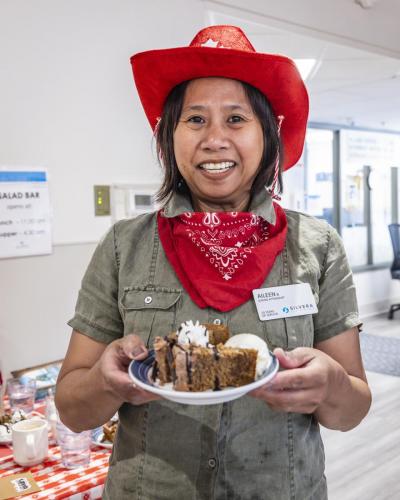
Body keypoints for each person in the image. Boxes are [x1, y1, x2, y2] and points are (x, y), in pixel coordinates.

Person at [55, 25, 371, 499]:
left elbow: (350, 411)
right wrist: (106, 380)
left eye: (237, 119)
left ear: (268, 134)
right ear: (170, 136)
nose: (215, 139)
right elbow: (73, 409)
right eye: (196, 120)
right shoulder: (125, 245)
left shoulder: (317, 245)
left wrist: (330, 387)